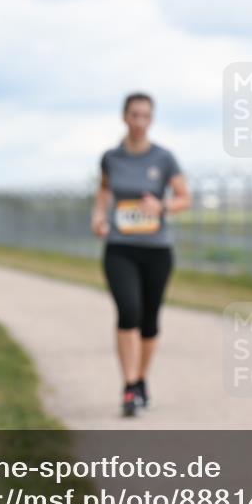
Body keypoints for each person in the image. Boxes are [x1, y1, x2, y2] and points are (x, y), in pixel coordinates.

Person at [91, 92, 191, 417]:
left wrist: (161, 206)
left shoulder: (164, 158)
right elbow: (105, 190)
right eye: (134, 115)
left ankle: (142, 379)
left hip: (157, 250)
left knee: (149, 321)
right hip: (120, 247)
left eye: (145, 116)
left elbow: (183, 197)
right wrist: (99, 216)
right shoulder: (111, 157)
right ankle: (129, 386)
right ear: (124, 117)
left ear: (152, 120)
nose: (139, 122)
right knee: (128, 312)